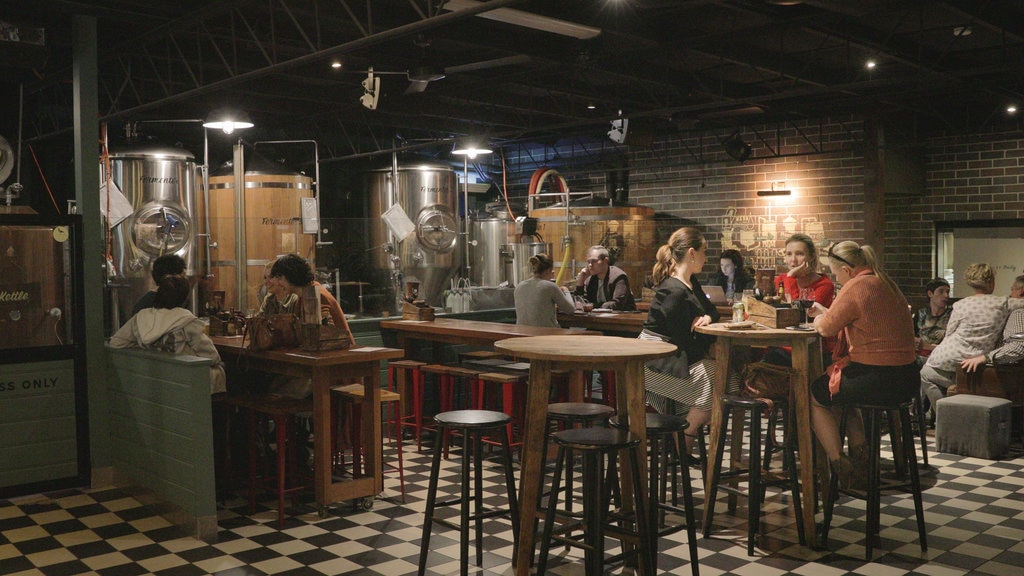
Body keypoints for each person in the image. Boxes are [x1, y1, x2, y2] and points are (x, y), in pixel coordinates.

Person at [805, 241, 918, 490]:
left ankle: (838, 461)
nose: (836, 279)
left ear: (846, 270)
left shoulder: (856, 285)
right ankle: (862, 461)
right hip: (907, 379)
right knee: (841, 394)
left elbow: (824, 328)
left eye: (835, 274)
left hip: (877, 379)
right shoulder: (885, 282)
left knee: (815, 395)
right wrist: (829, 312)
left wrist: (820, 316)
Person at [640, 227, 734, 460]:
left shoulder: (691, 283)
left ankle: (683, 438)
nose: (706, 258)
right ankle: (683, 440)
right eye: (704, 252)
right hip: (656, 359)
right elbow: (682, 337)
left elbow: (712, 310)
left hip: (675, 354)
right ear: (691, 253)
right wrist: (706, 344)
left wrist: (707, 318)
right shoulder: (672, 290)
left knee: (725, 377)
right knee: (717, 377)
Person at [920, 263, 1023, 422]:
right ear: (991, 283)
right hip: (977, 361)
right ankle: (950, 415)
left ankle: (946, 420)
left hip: (947, 358)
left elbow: (950, 333)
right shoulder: (1004, 303)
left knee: (925, 373)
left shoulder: (960, 304)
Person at [111, 274, 226, 394]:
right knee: (222, 367)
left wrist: (147, 350)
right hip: (185, 382)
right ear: (183, 298)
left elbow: (116, 342)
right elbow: (212, 357)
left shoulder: (141, 317)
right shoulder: (186, 320)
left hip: (153, 379)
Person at [269, 254, 356, 345]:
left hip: (338, 355)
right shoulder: (304, 295)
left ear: (291, 275)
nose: (277, 283)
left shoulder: (316, 295)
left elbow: (327, 333)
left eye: (279, 278)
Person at [514, 253, 575, 328]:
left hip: (522, 334)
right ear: (549, 270)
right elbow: (570, 309)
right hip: (545, 335)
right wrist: (566, 291)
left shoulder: (519, 286)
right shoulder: (550, 286)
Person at [574, 245, 636, 311]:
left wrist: (593, 306)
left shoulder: (618, 276)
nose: (590, 265)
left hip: (624, 317)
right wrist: (580, 282)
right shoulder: (590, 278)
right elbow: (581, 301)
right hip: (599, 318)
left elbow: (617, 304)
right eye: (588, 262)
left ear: (605, 261)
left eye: (594, 261)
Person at [781, 233, 834, 307]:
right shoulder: (780, 280)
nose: (793, 260)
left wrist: (790, 276)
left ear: (811, 256)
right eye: (789, 254)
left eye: (799, 254)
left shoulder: (824, 285)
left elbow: (799, 313)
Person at [914, 277, 952, 362]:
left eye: (947, 292)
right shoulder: (921, 314)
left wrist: (927, 346)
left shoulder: (952, 314)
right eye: (941, 291)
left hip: (942, 357)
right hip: (919, 356)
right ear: (930, 293)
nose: (946, 295)